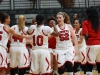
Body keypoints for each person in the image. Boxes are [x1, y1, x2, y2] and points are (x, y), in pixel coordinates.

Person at [82, 6, 100, 75]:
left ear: (88, 14)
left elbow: (86, 35)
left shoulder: (85, 22)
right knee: (99, 64)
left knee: (89, 65)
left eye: (86, 13)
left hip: (91, 45)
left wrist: (87, 42)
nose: (86, 15)